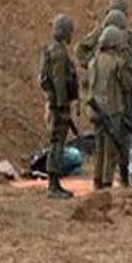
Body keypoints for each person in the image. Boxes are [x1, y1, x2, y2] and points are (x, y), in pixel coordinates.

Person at [88, 25, 132, 189]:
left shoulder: (93, 62)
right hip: (113, 110)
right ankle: (107, 182)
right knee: (111, 149)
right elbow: (127, 86)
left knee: (99, 147)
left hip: (96, 110)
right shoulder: (117, 63)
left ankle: (97, 180)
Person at [39, 13, 78, 199]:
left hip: (55, 104)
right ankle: (53, 185)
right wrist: (63, 105)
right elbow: (59, 81)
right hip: (57, 106)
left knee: (57, 143)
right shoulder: (59, 54)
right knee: (57, 144)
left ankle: (54, 183)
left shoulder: (53, 50)